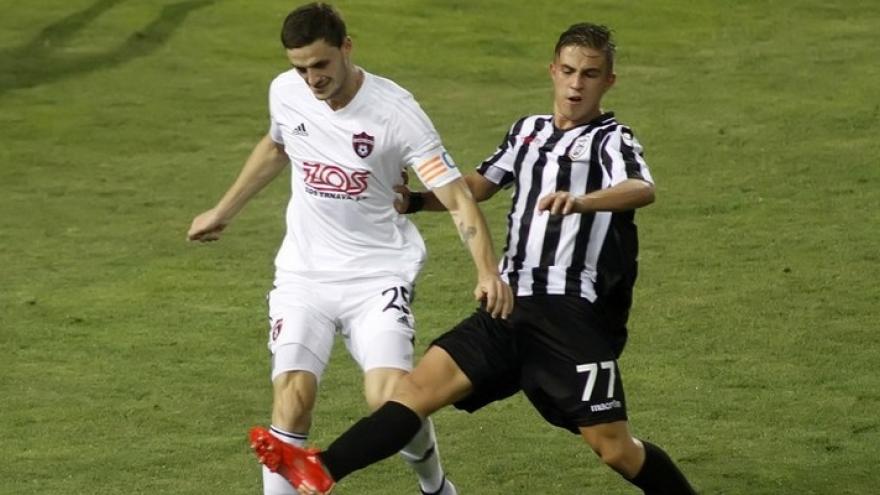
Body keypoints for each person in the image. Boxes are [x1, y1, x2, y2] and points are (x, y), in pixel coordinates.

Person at [250, 22, 699, 495]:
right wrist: (415, 201)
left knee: (615, 448)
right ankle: (321, 469)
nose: (576, 84)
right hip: (508, 304)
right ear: (552, 71)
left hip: (568, 314)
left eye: (589, 75)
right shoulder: (527, 132)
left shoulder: (611, 138)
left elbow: (640, 187)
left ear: (608, 81)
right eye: (568, 71)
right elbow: (478, 186)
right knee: (410, 393)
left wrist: (583, 201)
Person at [187, 3, 512, 495]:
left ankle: (436, 487)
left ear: (346, 48)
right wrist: (223, 210)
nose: (311, 79)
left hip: (378, 276)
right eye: (301, 68)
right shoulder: (286, 91)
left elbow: (458, 198)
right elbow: (276, 146)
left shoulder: (396, 113)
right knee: (292, 398)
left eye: (320, 64)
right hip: (304, 275)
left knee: (391, 400)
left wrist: (486, 271)